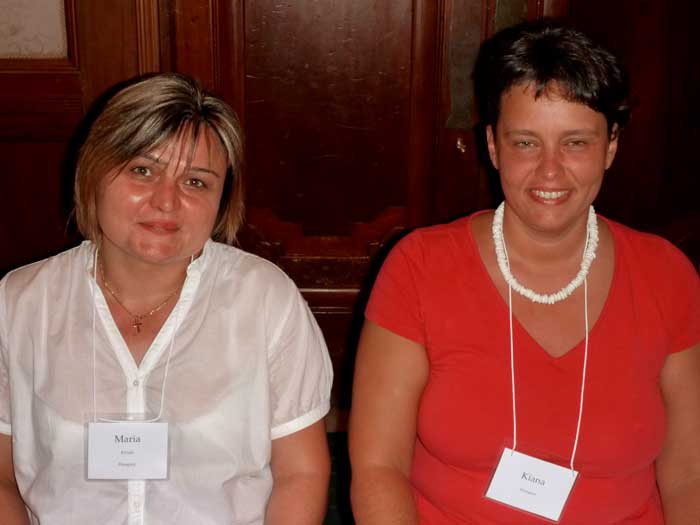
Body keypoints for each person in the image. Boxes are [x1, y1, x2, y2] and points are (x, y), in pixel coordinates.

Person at [349, 20, 700, 524]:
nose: (550, 171)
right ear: (493, 145)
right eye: (526, 143)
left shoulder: (667, 275)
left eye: (575, 142)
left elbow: (688, 474)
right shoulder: (419, 268)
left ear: (611, 145)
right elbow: (379, 469)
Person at [0, 73, 333, 524]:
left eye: (195, 182)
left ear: (221, 200)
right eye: (143, 170)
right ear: (94, 171)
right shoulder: (19, 304)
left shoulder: (265, 300)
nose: (166, 201)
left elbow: (301, 474)